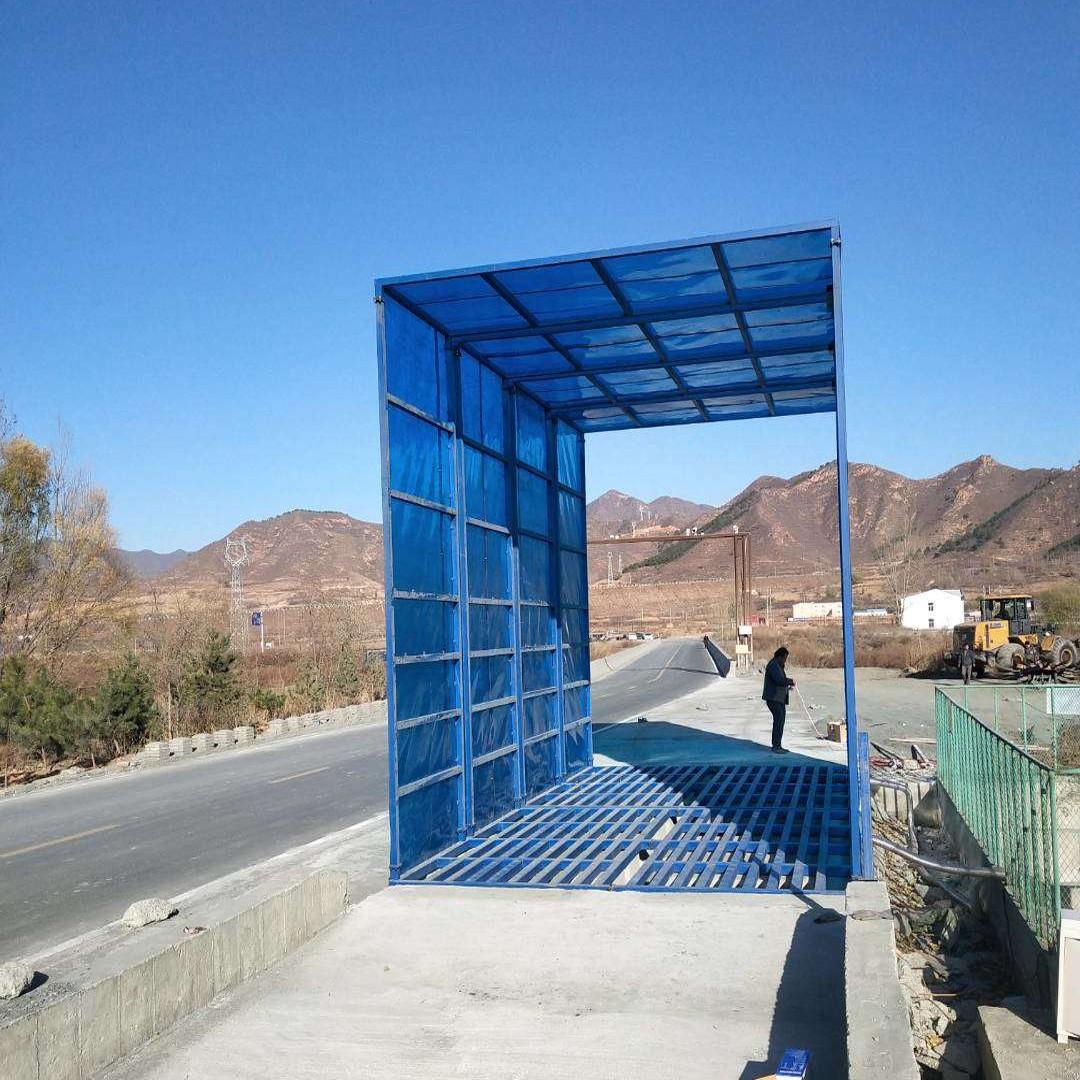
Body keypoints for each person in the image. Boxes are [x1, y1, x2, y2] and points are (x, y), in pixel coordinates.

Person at [762, 646, 796, 753]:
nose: (785, 660)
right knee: (778, 721)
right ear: (779, 657)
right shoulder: (773, 665)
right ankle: (776, 746)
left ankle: (778, 745)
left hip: (779, 698)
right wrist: (790, 681)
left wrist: (788, 686)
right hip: (773, 698)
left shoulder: (778, 666)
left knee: (780, 721)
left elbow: (781, 681)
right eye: (784, 658)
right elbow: (779, 680)